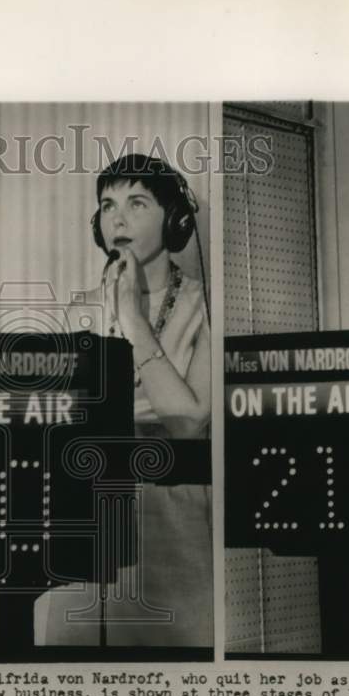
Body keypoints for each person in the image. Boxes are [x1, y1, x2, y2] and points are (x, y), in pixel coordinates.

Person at [39, 154, 212, 648]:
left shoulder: (208, 306)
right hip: (87, 505)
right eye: (108, 205)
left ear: (176, 220)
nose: (118, 217)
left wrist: (132, 319)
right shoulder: (79, 311)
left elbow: (187, 425)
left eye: (137, 203)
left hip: (171, 510)